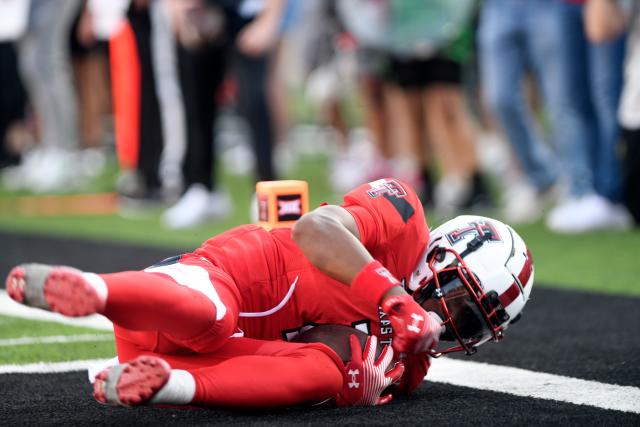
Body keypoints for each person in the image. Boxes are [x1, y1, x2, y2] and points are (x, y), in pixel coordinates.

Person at [5, 178, 534, 409]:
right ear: (444, 258)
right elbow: (313, 229)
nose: (451, 324)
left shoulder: (411, 363)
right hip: (191, 292)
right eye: (460, 305)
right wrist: (393, 299)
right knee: (213, 316)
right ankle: (97, 290)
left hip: (179, 361)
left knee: (324, 371)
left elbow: (321, 346)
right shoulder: (403, 219)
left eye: (470, 328)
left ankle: (168, 387)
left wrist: (359, 377)